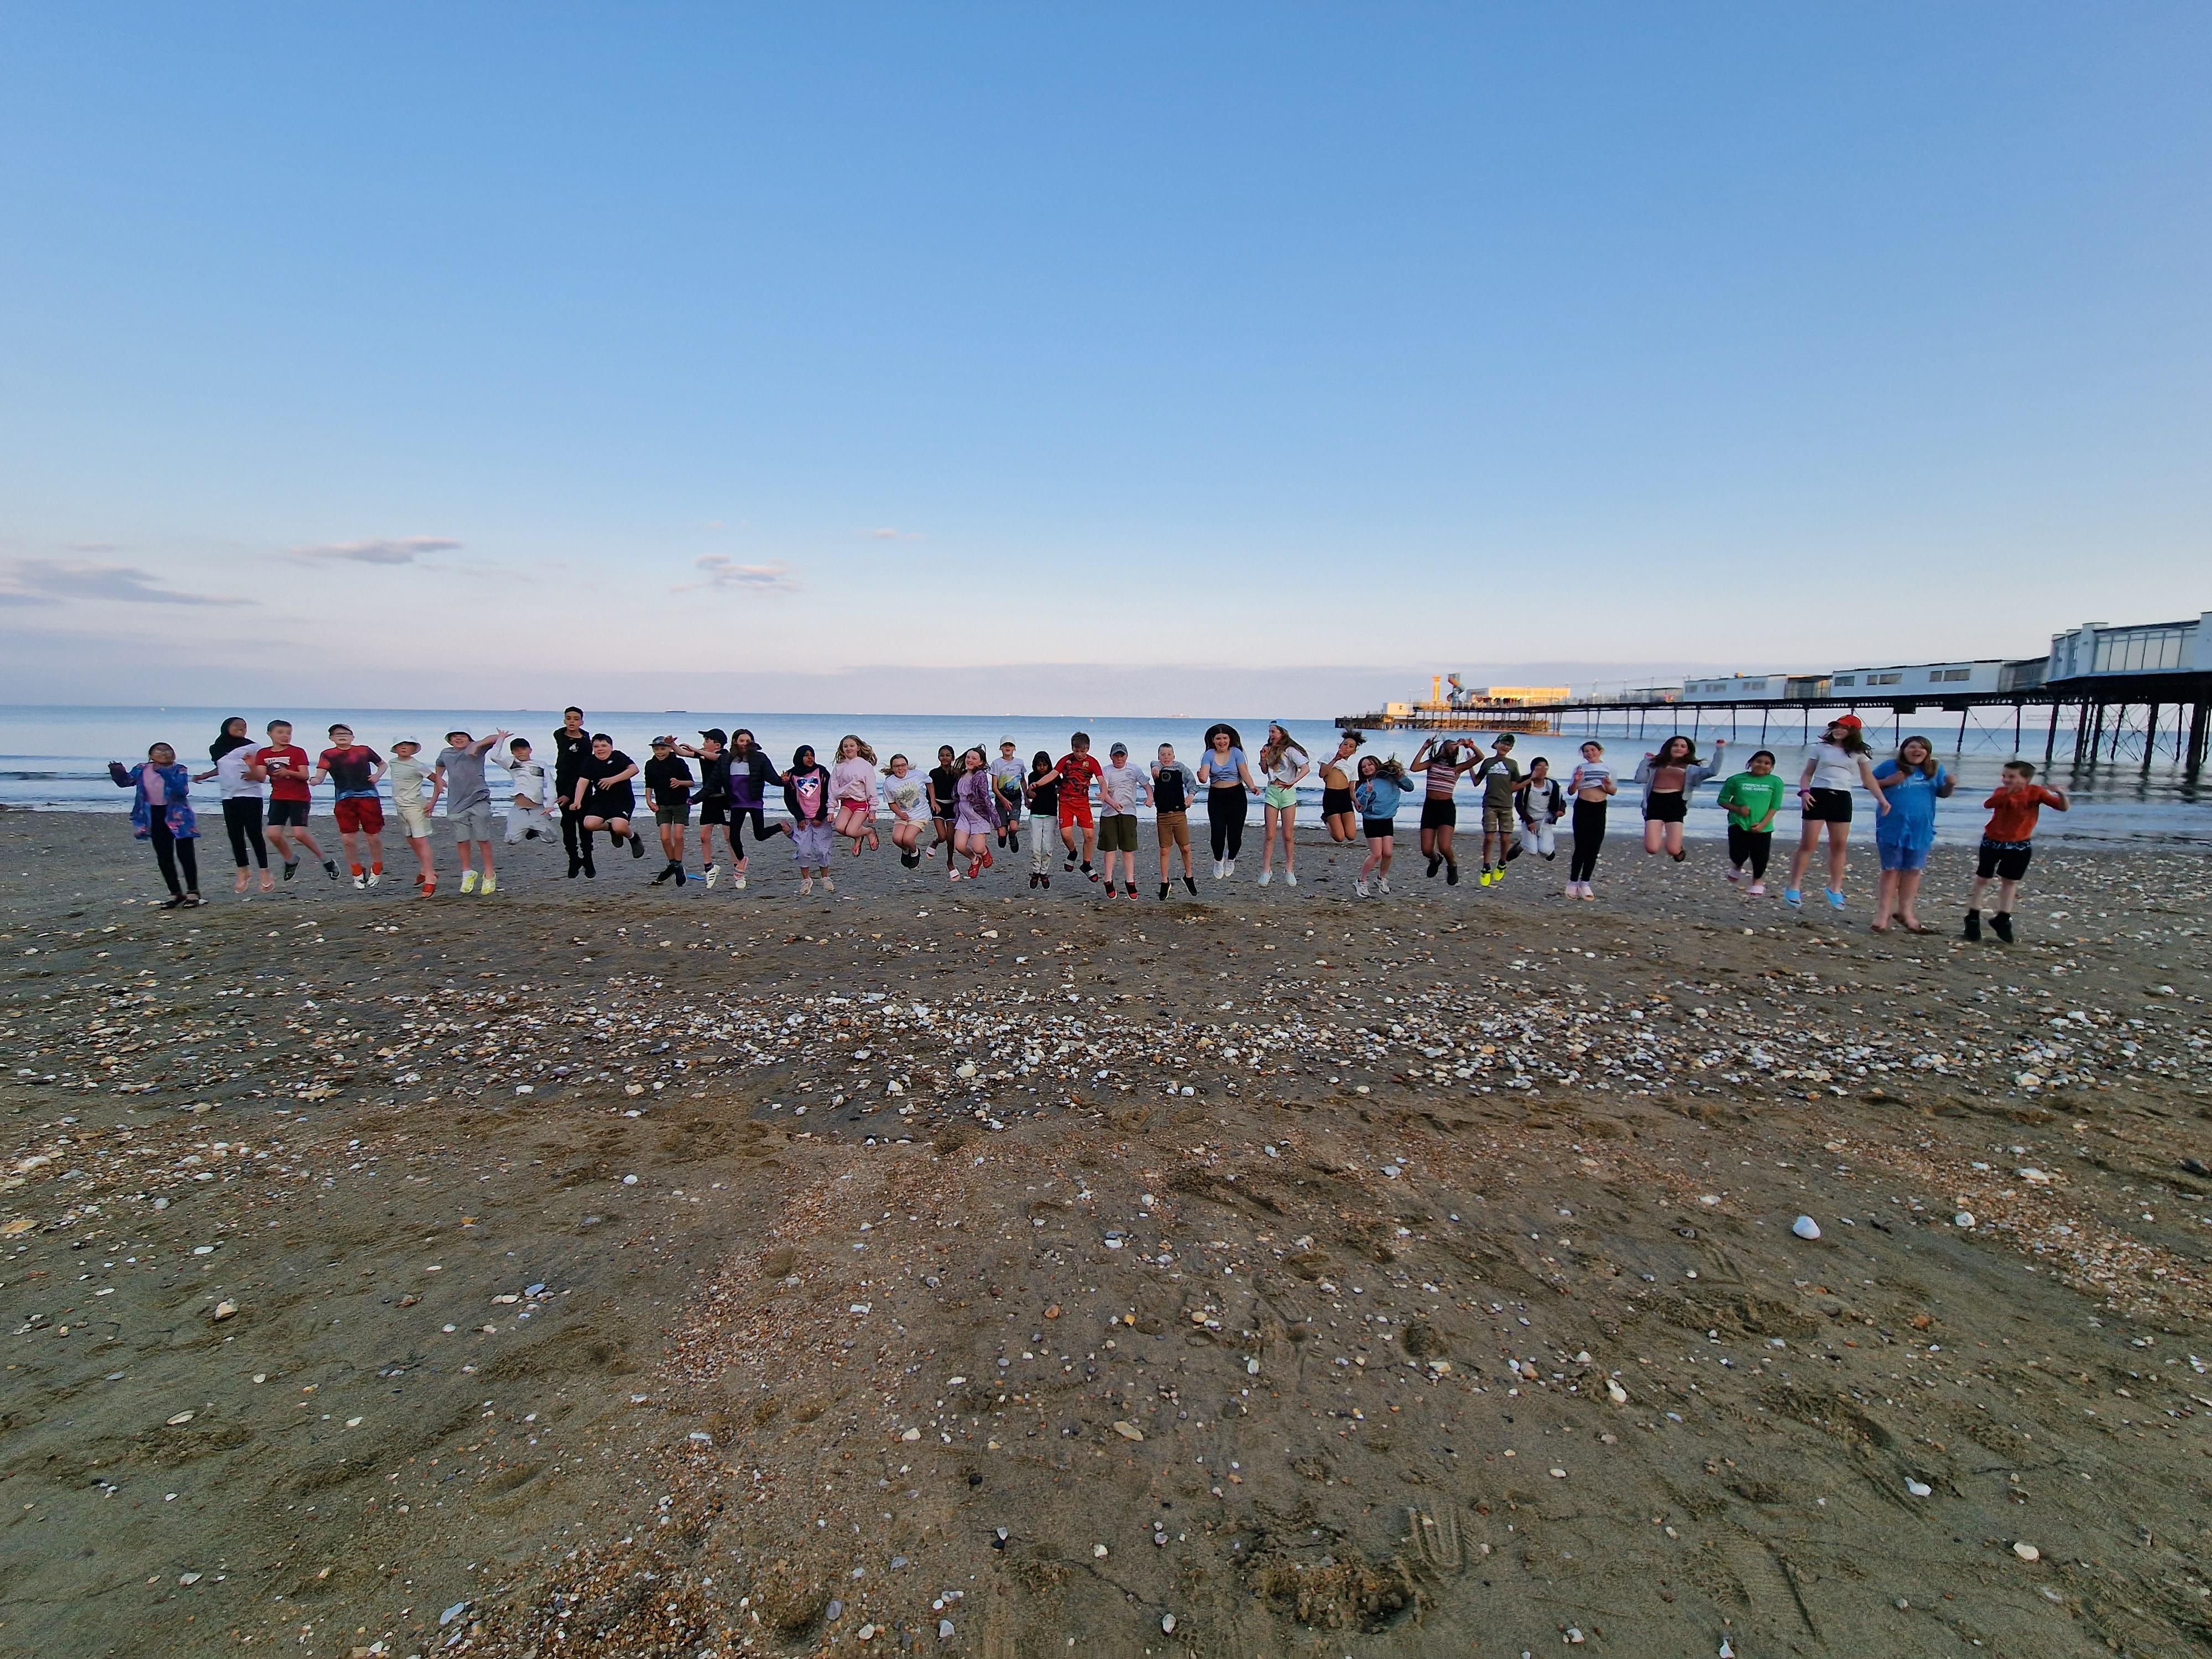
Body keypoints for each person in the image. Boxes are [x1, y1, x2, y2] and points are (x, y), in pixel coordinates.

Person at [1783, 716, 1889, 911]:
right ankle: (1794, 886)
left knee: (1839, 845)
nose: (1838, 730)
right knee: (1808, 843)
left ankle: (1835, 888)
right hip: (1817, 796)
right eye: (1836, 727)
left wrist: (1882, 800)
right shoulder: (1821, 748)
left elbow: (1868, 779)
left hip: (1842, 798)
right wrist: (1804, 792)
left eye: (1844, 728)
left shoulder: (1858, 753)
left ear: (1853, 731)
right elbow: (1807, 774)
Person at [1964, 761, 2068, 943]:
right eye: (2005, 776)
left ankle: (2003, 917)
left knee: (2010, 881)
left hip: (2019, 844)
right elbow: (1988, 804)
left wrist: (2060, 793)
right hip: (1993, 841)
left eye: (2012, 777)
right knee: (1983, 878)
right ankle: (1973, 917)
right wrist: (2008, 794)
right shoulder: (2001, 792)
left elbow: (2062, 807)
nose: (2006, 780)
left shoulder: (2036, 792)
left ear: (2026, 779)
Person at [1869, 735, 1953, 933]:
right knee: (1891, 869)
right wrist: (1889, 781)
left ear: (1928, 753)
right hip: (1892, 825)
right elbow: (1869, 783)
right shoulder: (1890, 766)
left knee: (1914, 869)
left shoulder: (1934, 769)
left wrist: (1950, 785)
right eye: (1912, 747)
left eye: (1922, 748)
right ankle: (1883, 915)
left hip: (1921, 827)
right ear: (1904, 750)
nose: (1917, 751)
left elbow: (1942, 793)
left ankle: (1906, 912)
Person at [109, 743, 200, 907]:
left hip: (178, 816)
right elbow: (126, 782)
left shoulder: (179, 769)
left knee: (185, 854)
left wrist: (165, 773)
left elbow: (181, 790)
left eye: (168, 750)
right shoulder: (142, 769)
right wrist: (117, 771)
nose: (164, 753)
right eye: (159, 750)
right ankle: (175, 894)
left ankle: (193, 893)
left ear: (174, 754)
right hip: (154, 815)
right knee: (164, 856)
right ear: (151, 755)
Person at [251, 719, 336, 882]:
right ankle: (290, 860)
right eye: (280, 733)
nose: (285, 736)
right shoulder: (263, 753)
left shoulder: (297, 752)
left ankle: (326, 860)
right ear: (270, 734)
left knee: (299, 834)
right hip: (278, 798)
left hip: (299, 798)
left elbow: (304, 775)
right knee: (273, 834)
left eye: (288, 733)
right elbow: (261, 777)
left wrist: (287, 772)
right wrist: (250, 766)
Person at [195, 717, 271, 895]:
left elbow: (262, 773)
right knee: (235, 834)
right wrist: (206, 775)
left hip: (251, 794)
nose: (242, 728)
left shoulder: (253, 747)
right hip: (229, 795)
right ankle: (243, 870)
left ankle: (265, 871)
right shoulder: (217, 748)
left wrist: (253, 771)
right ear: (226, 727)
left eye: (244, 726)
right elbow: (223, 767)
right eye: (237, 725)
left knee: (254, 833)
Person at [437, 728, 512, 895]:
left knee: (482, 838)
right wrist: (438, 779)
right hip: (456, 802)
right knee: (462, 839)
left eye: (462, 736)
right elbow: (440, 766)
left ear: (469, 739)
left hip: (479, 799)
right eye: (454, 737)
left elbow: (493, 739)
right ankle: (467, 872)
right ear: (450, 740)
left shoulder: (477, 749)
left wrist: (479, 744)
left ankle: (490, 874)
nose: (458, 739)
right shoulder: (446, 753)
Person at [312, 724, 387, 889]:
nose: (342, 736)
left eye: (346, 733)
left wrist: (377, 776)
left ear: (353, 737)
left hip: (369, 797)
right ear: (331, 738)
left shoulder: (364, 750)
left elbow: (383, 764)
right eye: (337, 734)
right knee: (348, 839)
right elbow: (320, 775)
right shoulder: (328, 754)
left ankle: (377, 866)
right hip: (344, 799)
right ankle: (357, 871)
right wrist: (315, 781)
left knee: (373, 836)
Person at [1634, 735, 1725, 865]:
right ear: (1669, 748)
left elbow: (1713, 772)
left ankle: (1677, 848)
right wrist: (1646, 760)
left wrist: (1720, 750)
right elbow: (1640, 779)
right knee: (1652, 848)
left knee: (1673, 850)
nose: (1679, 748)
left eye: (1683, 746)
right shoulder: (1656, 765)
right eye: (1675, 745)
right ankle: (1662, 838)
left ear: (1688, 751)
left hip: (1676, 805)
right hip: (1655, 804)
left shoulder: (1692, 768)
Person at [1714, 749, 1785, 896]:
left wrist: (1762, 825)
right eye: (1759, 761)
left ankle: (1757, 881)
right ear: (1751, 763)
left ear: (1772, 767)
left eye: (1767, 763)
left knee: (1760, 858)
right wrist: (1738, 809)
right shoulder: (1736, 780)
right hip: (1738, 823)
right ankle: (1737, 865)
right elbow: (1722, 800)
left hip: (1763, 827)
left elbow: (1775, 806)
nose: (1762, 765)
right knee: (1738, 854)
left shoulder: (1776, 782)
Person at [571, 733, 643, 875]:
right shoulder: (589, 761)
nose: (600, 749)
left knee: (620, 827)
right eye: (596, 746)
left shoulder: (618, 757)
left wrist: (613, 780)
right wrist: (577, 801)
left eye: (604, 746)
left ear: (611, 747)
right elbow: (583, 782)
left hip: (622, 800)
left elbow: (634, 770)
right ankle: (611, 829)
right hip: (601, 800)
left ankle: (633, 838)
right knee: (589, 824)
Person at [1197, 723, 1260, 879]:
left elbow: (1244, 773)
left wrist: (1252, 787)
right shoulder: (1209, 755)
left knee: (1235, 835)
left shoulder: (1236, 753)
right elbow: (1204, 778)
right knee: (1218, 832)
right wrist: (1201, 777)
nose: (1222, 741)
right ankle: (1218, 860)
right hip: (1216, 797)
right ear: (1213, 740)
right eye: (1218, 739)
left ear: (1230, 739)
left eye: (1225, 738)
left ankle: (1231, 859)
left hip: (1236, 796)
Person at [1408, 735, 1473, 884]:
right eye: (1447, 746)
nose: (1449, 749)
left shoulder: (1457, 768)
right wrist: (1424, 748)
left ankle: (1452, 865)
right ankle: (1436, 860)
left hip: (1446, 808)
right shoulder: (1432, 764)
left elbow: (1479, 758)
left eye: (1453, 747)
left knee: (1444, 846)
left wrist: (1468, 745)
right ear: (1442, 748)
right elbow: (1414, 768)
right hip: (1430, 807)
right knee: (1426, 850)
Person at [725, 728, 785, 890]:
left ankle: (781, 826)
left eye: (748, 741)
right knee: (733, 836)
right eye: (741, 741)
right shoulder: (728, 759)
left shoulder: (760, 758)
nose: (745, 744)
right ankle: (741, 862)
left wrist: (783, 781)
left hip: (754, 801)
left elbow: (772, 777)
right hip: (737, 803)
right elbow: (718, 776)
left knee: (760, 835)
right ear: (735, 742)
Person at [1256, 723, 1310, 887]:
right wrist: (1263, 758)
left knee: (1288, 835)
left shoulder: (1290, 750)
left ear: (1282, 733)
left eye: (1274, 732)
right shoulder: (1269, 749)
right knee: (1270, 834)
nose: (1271, 735)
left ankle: (1289, 869)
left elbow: (1306, 768)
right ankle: (1266, 870)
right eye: (1270, 732)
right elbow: (1265, 771)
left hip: (1287, 793)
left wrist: (1293, 782)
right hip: (1272, 791)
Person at [1097, 741, 1152, 899]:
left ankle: (1130, 881)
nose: (1119, 758)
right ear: (1111, 757)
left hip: (1128, 813)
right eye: (1116, 756)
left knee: (1128, 849)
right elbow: (1104, 792)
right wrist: (1113, 803)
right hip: (1109, 814)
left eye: (1122, 755)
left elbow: (1147, 785)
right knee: (1110, 848)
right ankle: (1108, 880)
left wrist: (1150, 798)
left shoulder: (1134, 769)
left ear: (1127, 756)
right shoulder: (1106, 771)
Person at [386, 738, 441, 896]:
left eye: (408, 745)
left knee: (421, 840)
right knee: (410, 838)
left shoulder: (418, 766)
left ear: (414, 749)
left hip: (415, 806)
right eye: (401, 745)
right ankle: (426, 870)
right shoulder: (393, 763)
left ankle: (430, 878)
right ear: (395, 748)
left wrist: (433, 802)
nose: (404, 748)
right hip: (400, 806)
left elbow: (438, 780)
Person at [677, 729, 733, 883]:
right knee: (704, 836)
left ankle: (738, 867)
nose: (703, 743)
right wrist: (672, 745)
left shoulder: (725, 755)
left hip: (725, 800)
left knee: (730, 837)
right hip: (708, 799)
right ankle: (709, 868)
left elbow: (715, 757)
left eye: (707, 740)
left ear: (717, 745)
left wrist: (695, 749)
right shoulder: (702, 755)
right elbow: (682, 753)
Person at [1047, 733, 1105, 880]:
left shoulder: (1092, 762)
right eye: (1076, 751)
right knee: (1066, 835)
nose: (1079, 754)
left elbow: (1101, 779)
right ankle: (1073, 852)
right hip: (1066, 802)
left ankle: (1087, 864)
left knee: (1090, 835)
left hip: (1082, 803)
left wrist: (1104, 791)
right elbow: (1053, 774)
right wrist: (1037, 783)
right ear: (1072, 748)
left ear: (1088, 749)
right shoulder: (1066, 760)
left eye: (1082, 751)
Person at [1471, 735, 1525, 886]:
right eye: (1504, 744)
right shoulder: (1488, 762)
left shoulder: (1513, 764)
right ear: (1496, 744)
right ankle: (1486, 866)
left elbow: (1514, 787)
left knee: (1506, 838)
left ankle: (1502, 862)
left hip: (1506, 804)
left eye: (1509, 745)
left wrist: (1531, 779)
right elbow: (1476, 781)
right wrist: (1470, 766)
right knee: (1489, 837)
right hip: (1490, 803)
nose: (1506, 747)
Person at [1564, 740, 1616, 900]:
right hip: (1583, 806)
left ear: (1600, 751)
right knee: (1581, 846)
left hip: (1599, 808)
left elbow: (1613, 791)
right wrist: (1577, 781)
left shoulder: (1608, 768)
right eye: (1586, 751)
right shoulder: (1581, 768)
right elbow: (1571, 791)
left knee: (1594, 848)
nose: (1590, 753)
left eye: (1593, 750)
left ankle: (1585, 883)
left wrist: (1607, 785)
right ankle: (1573, 882)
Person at [1353, 753, 1408, 898]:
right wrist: (1368, 793)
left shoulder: (1391, 780)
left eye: (1370, 765)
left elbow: (1410, 787)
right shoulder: (1363, 786)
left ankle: (1381, 878)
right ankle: (1361, 881)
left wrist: (1400, 774)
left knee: (1388, 854)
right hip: (1372, 821)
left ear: (1377, 765)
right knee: (1377, 854)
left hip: (1387, 819)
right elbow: (1360, 808)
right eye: (1363, 767)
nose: (1367, 768)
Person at [782, 743, 836, 894]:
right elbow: (789, 799)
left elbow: (829, 795)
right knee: (803, 850)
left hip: (821, 820)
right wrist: (799, 818)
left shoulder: (822, 772)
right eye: (806, 755)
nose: (810, 758)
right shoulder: (791, 775)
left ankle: (825, 877)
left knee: (822, 850)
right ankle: (806, 880)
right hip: (803, 820)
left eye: (812, 755)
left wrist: (821, 816)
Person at [1151, 742, 1199, 899]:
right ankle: (1165, 882)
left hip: (1179, 814)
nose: (1166, 757)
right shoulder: (1157, 766)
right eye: (1163, 755)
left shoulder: (1180, 768)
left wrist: (1190, 796)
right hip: (1163, 816)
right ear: (1159, 756)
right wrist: (1155, 768)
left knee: (1185, 848)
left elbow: (1192, 783)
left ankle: (1189, 876)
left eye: (1169, 754)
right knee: (1165, 850)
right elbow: (1154, 766)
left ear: (1174, 756)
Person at [551, 707, 593, 878]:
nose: (572, 722)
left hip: (582, 786)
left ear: (582, 722)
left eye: (576, 719)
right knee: (567, 823)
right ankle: (573, 859)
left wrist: (570, 794)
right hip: (562, 784)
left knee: (584, 824)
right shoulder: (559, 735)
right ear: (564, 720)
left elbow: (582, 771)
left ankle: (588, 859)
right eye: (569, 718)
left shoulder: (586, 743)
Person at [952, 747, 1000, 881]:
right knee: (960, 846)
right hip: (963, 814)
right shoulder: (961, 775)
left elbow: (986, 799)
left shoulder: (980, 776)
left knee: (978, 848)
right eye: (968, 757)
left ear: (981, 762)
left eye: (974, 758)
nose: (970, 760)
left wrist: (997, 823)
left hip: (978, 815)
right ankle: (975, 860)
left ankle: (984, 852)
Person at [830, 735, 881, 857]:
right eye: (845, 746)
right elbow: (832, 789)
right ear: (842, 749)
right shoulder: (839, 767)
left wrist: (873, 811)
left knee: (851, 831)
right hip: (846, 803)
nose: (849, 748)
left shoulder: (865, 766)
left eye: (852, 746)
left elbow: (871, 789)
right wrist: (831, 810)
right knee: (840, 828)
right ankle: (858, 837)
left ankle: (869, 832)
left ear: (858, 748)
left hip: (862, 803)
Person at [502, 737, 556, 847]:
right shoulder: (513, 764)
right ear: (512, 753)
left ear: (530, 750)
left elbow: (551, 784)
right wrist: (501, 739)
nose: (520, 752)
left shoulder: (541, 764)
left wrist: (550, 805)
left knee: (551, 838)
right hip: (519, 809)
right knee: (511, 840)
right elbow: (494, 757)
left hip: (538, 808)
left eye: (523, 749)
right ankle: (526, 826)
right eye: (517, 750)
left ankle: (534, 830)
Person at [1513, 755, 1564, 864]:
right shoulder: (1526, 784)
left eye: (1546, 767)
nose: (1543, 770)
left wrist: (1560, 810)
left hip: (1545, 820)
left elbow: (1561, 801)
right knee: (1532, 851)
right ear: (1533, 769)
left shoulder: (1552, 784)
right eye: (1539, 767)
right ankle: (1521, 845)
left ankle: (1547, 849)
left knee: (1545, 851)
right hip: (1529, 820)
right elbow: (1519, 805)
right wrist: (1529, 821)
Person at [882, 755, 930, 867]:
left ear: (907, 766)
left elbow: (930, 783)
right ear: (892, 768)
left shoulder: (917, 775)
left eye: (903, 765)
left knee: (908, 839)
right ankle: (906, 851)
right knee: (897, 839)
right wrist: (900, 814)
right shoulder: (889, 782)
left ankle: (915, 852)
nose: (900, 768)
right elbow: (891, 802)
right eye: (897, 766)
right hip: (902, 814)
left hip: (920, 814)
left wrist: (933, 800)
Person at [1317, 733, 1363, 846]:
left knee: (1351, 836)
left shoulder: (1352, 766)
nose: (1347, 748)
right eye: (1345, 744)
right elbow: (1322, 774)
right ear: (1340, 746)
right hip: (1331, 796)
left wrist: (1356, 801)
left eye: (1351, 746)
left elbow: (1351, 790)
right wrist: (1335, 760)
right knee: (1340, 837)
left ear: (1354, 751)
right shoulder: (1329, 756)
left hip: (1345, 797)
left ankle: (1337, 822)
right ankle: (1327, 819)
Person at [1025, 750, 1060, 889]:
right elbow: (1029, 792)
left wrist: (1059, 790)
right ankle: (1036, 871)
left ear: (1049, 765)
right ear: (1035, 765)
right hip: (1036, 814)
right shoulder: (1032, 776)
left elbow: (1062, 787)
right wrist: (1029, 794)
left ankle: (1044, 872)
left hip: (1051, 814)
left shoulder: (1055, 775)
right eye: (1039, 765)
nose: (1042, 768)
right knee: (1035, 847)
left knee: (1047, 847)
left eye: (1044, 765)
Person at [927, 744, 962, 873]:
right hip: (939, 806)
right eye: (942, 755)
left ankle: (950, 862)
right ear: (938, 758)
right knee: (942, 836)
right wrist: (932, 804)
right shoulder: (934, 773)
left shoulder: (958, 773)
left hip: (953, 807)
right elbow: (929, 792)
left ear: (953, 758)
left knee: (951, 838)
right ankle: (935, 842)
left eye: (948, 755)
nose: (945, 758)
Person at [989, 739, 1027, 854]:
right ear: (1001, 748)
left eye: (1010, 745)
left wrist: (1026, 798)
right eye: (1005, 745)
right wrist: (1003, 800)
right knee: (1001, 833)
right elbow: (994, 787)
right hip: (1001, 800)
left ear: (1014, 748)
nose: (1008, 747)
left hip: (1015, 799)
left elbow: (1023, 781)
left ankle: (1012, 837)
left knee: (1014, 827)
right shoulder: (996, 763)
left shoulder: (1020, 763)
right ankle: (1003, 836)